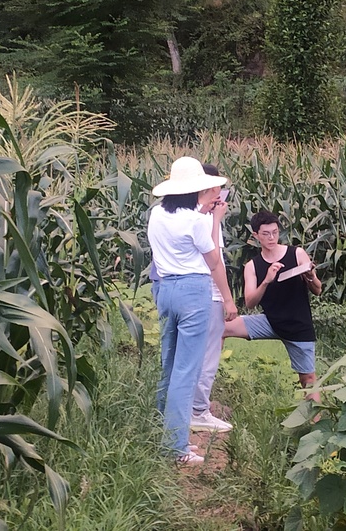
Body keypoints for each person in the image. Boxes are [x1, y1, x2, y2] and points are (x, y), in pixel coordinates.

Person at [148, 156, 237, 465]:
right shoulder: (197, 221)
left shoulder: (156, 214)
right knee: (186, 372)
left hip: (166, 290)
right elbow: (214, 263)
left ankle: (164, 434)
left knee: (169, 365)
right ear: (196, 191)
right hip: (194, 292)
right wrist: (228, 299)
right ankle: (175, 448)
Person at [223, 210, 322, 394]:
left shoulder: (297, 254)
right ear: (256, 236)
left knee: (308, 380)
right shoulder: (253, 266)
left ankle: (316, 421)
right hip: (269, 321)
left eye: (275, 232)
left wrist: (309, 277)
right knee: (220, 328)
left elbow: (318, 290)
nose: (272, 237)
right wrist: (267, 280)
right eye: (266, 234)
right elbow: (250, 302)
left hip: (298, 325)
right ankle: (206, 384)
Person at [190, 164, 233, 433]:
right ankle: (199, 410)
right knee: (208, 355)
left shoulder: (178, 214)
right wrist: (227, 299)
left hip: (190, 292)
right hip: (210, 293)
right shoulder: (204, 219)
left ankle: (188, 407)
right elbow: (215, 261)